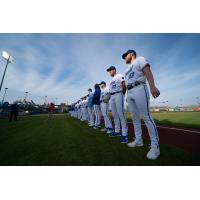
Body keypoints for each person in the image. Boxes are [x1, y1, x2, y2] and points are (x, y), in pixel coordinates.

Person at [122, 49, 160, 160]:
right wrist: (125, 96)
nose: (124, 57)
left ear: (132, 54)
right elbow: (125, 84)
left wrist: (152, 86)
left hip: (139, 87)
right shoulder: (126, 70)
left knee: (146, 117)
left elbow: (147, 70)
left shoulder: (140, 59)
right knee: (135, 119)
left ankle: (155, 147)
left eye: (126, 55)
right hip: (130, 92)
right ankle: (138, 140)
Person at [106, 66, 128, 144]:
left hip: (119, 94)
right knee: (115, 115)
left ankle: (125, 134)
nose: (109, 72)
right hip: (112, 96)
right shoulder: (111, 80)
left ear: (114, 70)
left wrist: (123, 94)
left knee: (121, 114)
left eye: (110, 70)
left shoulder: (119, 75)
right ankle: (117, 131)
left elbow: (124, 85)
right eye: (108, 71)